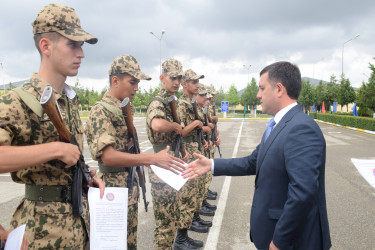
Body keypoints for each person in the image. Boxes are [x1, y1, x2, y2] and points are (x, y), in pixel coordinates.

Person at [183, 61, 331, 250]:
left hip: (292, 242)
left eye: (262, 88)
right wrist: (211, 164)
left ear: (279, 89)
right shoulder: (281, 124)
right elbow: (253, 162)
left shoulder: (300, 128)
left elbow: (302, 193)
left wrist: (279, 241)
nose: (257, 95)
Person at [0, 3, 105, 249]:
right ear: (45, 46)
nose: (82, 54)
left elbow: (66, 164)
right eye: (73, 44)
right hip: (40, 234)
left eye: (82, 46)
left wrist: (86, 177)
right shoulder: (15, 100)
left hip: (79, 226)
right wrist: (55, 149)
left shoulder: (69, 99)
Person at [85, 55, 185, 250]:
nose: (136, 88)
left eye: (138, 82)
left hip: (127, 190)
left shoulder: (122, 109)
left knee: (129, 244)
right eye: (132, 82)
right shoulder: (101, 111)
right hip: (112, 191)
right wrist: (152, 158)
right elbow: (108, 156)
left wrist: (142, 161)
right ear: (115, 80)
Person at [146, 58, 193, 249]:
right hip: (161, 169)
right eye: (172, 77)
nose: (176, 81)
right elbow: (157, 124)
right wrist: (174, 125)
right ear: (162, 78)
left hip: (171, 164)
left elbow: (176, 133)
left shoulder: (171, 100)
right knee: (165, 227)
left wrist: (182, 149)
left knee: (173, 220)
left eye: (179, 77)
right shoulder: (159, 101)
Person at [175, 70, 213, 250]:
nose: (197, 85)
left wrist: (204, 137)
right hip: (187, 149)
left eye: (198, 81)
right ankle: (180, 239)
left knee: (195, 191)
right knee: (188, 194)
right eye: (194, 82)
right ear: (185, 83)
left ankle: (190, 226)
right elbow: (180, 131)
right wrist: (198, 124)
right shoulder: (181, 104)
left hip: (194, 147)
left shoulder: (189, 103)